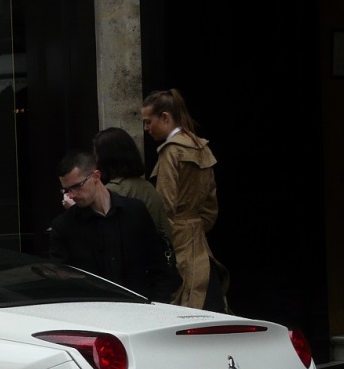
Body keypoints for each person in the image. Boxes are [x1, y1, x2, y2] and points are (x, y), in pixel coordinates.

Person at [47, 149, 178, 301]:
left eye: (77, 186)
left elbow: (158, 266)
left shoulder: (135, 211)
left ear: (96, 176)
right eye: (67, 189)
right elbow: (62, 282)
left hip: (140, 310)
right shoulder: (64, 226)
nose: (72, 195)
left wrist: (157, 304)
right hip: (95, 314)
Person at [141, 88, 229, 311]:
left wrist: (166, 238)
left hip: (177, 240)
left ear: (165, 117)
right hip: (199, 242)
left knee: (181, 306)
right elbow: (210, 206)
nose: (146, 128)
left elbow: (165, 205)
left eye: (148, 121)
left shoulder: (171, 152)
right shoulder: (201, 147)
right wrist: (195, 226)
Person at [91, 126, 175, 265]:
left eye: (96, 155)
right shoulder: (147, 187)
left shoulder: (112, 192)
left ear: (106, 157)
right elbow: (165, 230)